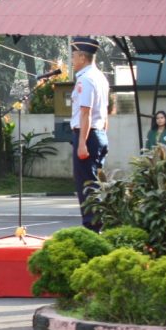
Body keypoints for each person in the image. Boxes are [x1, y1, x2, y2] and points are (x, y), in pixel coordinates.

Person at [69, 36, 110, 232]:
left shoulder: (86, 79)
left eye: (74, 56)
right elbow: (105, 111)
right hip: (99, 133)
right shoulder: (101, 77)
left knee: (86, 185)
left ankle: (92, 227)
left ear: (82, 58)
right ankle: (97, 224)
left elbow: (85, 112)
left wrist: (82, 143)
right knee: (94, 182)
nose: (72, 60)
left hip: (87, 135)